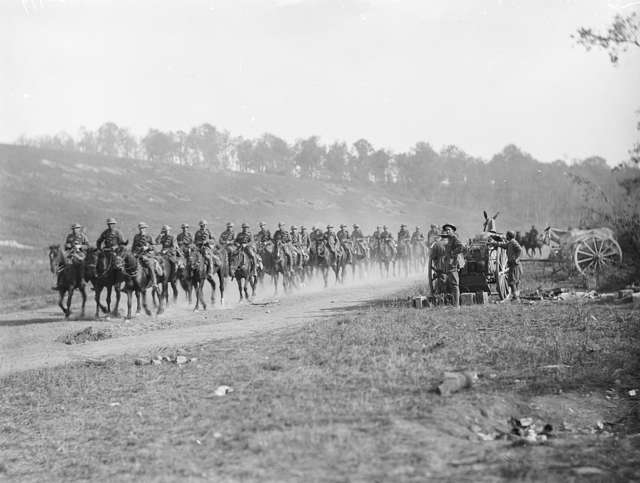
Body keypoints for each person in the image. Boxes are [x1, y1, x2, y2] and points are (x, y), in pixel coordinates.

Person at [52, 223, 90, 289]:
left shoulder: (83, 236)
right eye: (73, 229)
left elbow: (87, 246)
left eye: (76, 228)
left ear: (79, 229)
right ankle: (59, 282)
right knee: (62, 264)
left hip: (80, 253)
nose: (75, 230)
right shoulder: (69, 236)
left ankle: (82, 281)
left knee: (81, 264)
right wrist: (67, 246)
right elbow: (66, 245)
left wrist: (80, 246)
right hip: (70, 253)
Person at [490, 230, 523, 302]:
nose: (506, 236)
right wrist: (495, 244)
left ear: (509, 236)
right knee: (512, 281)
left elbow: (520, 250)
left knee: (512, 281)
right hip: (512, 265)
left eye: (507, 235)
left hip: (515, 265)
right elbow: (504, 245)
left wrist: (517, 259)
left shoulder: (514, 242)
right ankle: (515, 297)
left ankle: (516, 298)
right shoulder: (510, 243)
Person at [439, 223, 464, 307]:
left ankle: (456, 306)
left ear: (452, 231)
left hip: (453, 264)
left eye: (448, 230)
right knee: (451, 284)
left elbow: (461, 247)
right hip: (448, 264)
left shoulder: (454, 238)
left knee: (454, 285)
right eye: (446, 230)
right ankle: (454, 304)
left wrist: (452, 254)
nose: (447, 231)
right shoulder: (449, 239)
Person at [132, 222, 158, 288]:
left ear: (145, 229)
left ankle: (154, 282)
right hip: (137, 255)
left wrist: (148, 247)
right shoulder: (136, 236)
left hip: (147, 255)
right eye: (140, 228)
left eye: (143, 228)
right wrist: (133, 253)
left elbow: (154, 246)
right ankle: (128, 284)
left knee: (150, 265)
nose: (141, 229)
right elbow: (133, 246)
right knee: (129, 264)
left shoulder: (149, 236)